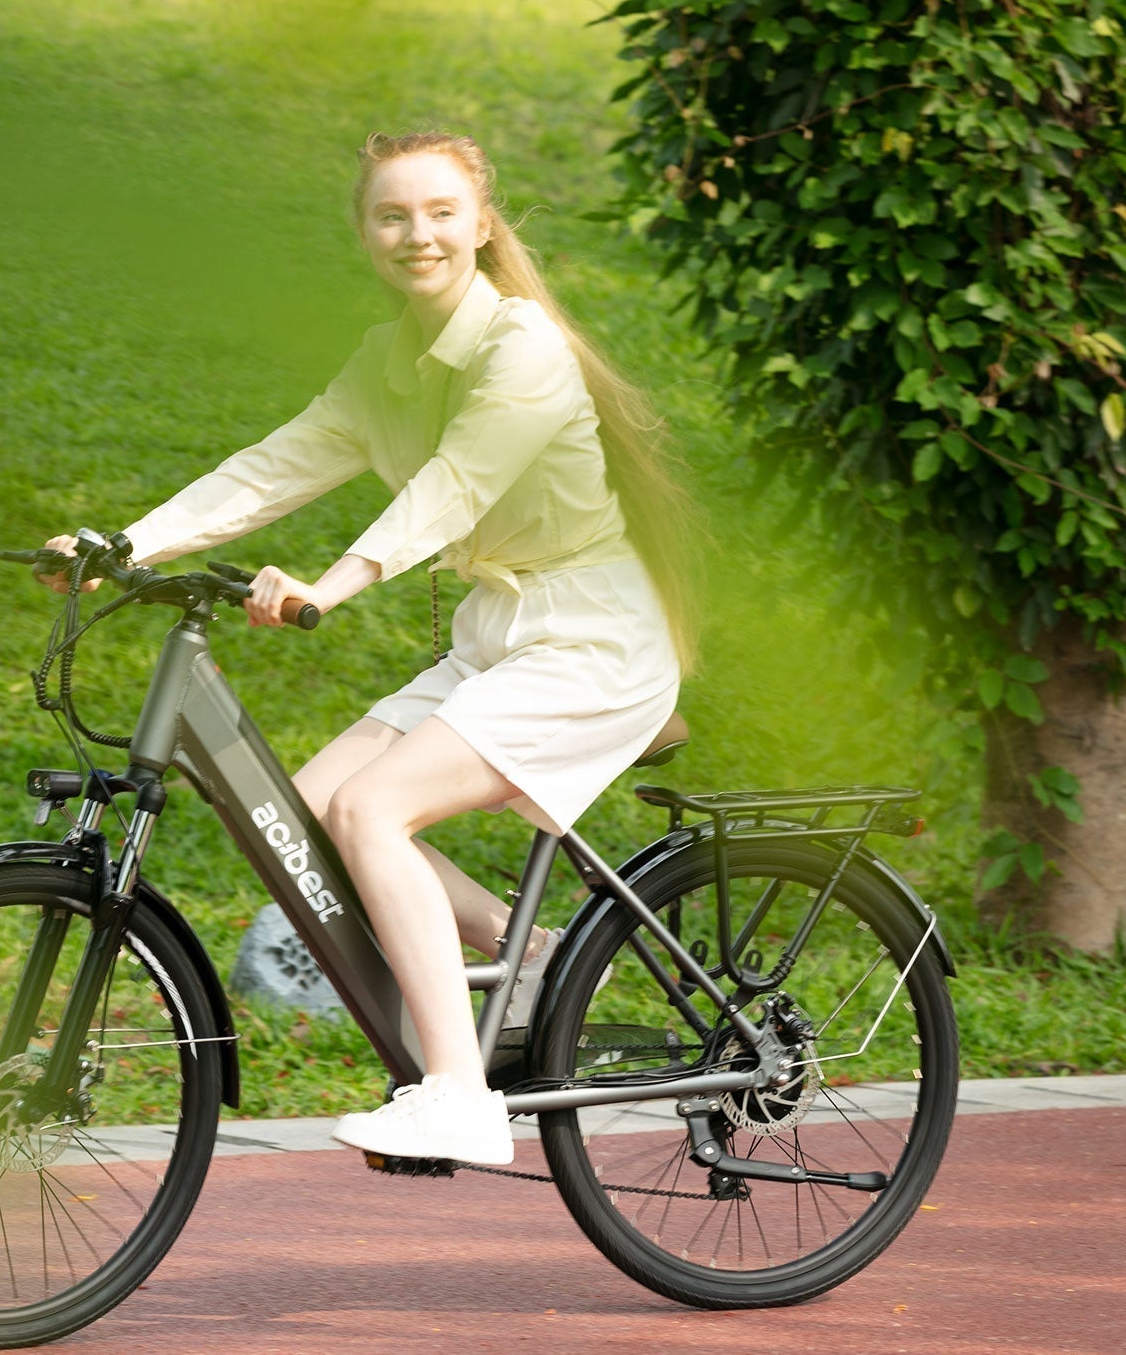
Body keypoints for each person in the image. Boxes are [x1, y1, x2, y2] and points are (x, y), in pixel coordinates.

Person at [41, 130, 699, 1166]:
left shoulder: (523, 348)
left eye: (440, 213)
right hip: (502, 633)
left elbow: (456, 488)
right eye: (392, 216)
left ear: (482, 224)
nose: (417, 234)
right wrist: (122, 545)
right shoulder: (383, 364)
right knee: (307, 807)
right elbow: (270, 469)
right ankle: (530, 954)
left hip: (591, 640)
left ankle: (459, 1095)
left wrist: (332, 584)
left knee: (372, 807)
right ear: (365, 234)